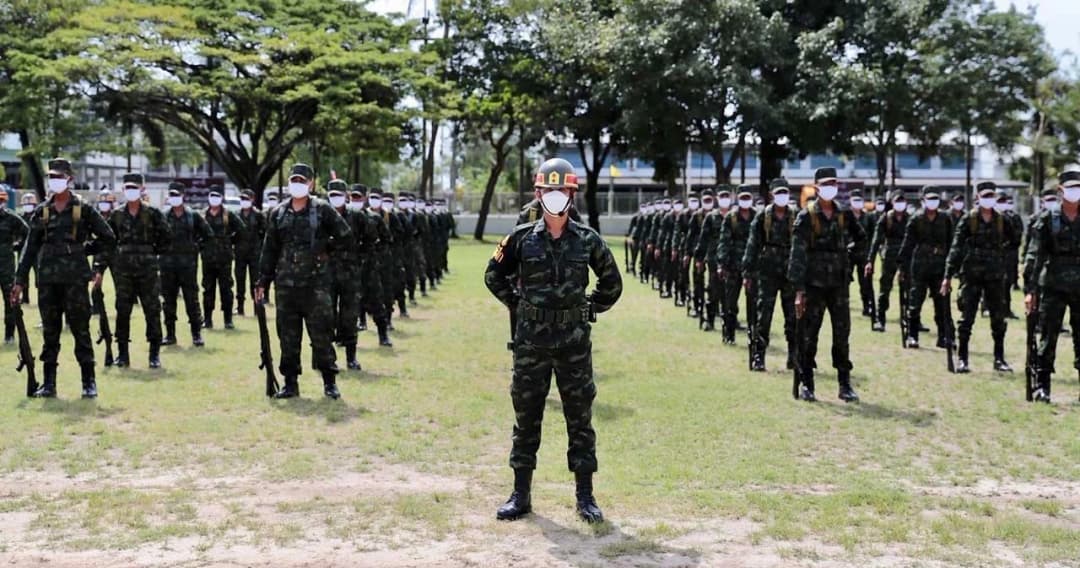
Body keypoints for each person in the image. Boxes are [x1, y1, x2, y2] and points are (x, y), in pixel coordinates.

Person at [484, 157, 622, 523]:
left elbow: (612, 282)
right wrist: (519, 305)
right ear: (538, 193)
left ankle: (585, 497)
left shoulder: (588, 240)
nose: (555, 196)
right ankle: (521, 495)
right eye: (549, 190)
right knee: (526, 417)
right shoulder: (520, 239)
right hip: (531, 344)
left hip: (574, 345)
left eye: (562, 190)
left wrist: (590, 307)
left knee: (580, 419)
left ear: (572, 194)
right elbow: (493, 274)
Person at [11, 158, 116, 398]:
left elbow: (108, 237)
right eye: (51, 177)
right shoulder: (43, 210)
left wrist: (84, 250)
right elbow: (29, 248)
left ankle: (88, 382)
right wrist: (19, 280)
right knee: (50, 332)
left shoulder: (83, 208)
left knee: (81, 329)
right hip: (48, 281)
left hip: (75, 280)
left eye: (58, 177)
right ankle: (49, 384)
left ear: (69, 179)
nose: (54, 181)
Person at [255, 164, 352, 399]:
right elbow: (269, 250)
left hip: (316, 286)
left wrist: (326, 249)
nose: (297, 183)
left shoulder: (322, 210)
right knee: (288, 336)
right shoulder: (278, 213)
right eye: (294, 179)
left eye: (302, 180)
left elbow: (345, 235)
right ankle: (290, 383)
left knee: (321, 335)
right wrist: (262, 281)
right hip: (286, 287)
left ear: (310, 184)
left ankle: (329, 382)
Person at [788, 167, 867, 402]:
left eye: (834, 183)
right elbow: (797, 254)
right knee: (809, 336)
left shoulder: (844, 214)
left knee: (842, 335)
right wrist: (799, 289)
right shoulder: (806, 216)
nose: (830, 187)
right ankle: (807, 383)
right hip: (814, 285)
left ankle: (844, 384)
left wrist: (849, 257)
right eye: (826, 184)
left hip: (839, 285)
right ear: (817, 187)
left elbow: (861, 238)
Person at [942, 181, 1019, 373]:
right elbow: (956, 247)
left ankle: (999, 359)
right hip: (972, 274)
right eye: (985, 196)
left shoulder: (1002, 220)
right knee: (967, 318)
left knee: (998, 318)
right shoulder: (970, 219)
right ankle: (963, 358)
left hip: (994, 275)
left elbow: (1015, 240)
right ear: (977, 198)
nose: (988, 199)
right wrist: (948, 275)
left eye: (991, 196)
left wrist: (1000, 254)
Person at [104, 173, 171, 368]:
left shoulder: (153, 213)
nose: (131, 191)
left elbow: (167, 236)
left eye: (135, 188)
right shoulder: (116, 215)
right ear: (123, 190)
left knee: (152, 310)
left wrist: (152, 252)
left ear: (142, 189)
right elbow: (107, 241)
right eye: (128, 188)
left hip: (147, 270)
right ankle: (122, 354)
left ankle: (154, 354)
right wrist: (100, 267)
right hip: (123, 270)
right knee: (122, 311)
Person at [1024, 172, 1080, 403]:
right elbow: (1036, 255)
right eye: (1071, 187)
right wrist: (1030, 290)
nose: (1075, 191)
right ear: (1061, 190)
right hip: (1053, 286)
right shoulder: (1049, 218)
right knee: (1047, 337)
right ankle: (1042, 386)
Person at [742, 179, 796, 371]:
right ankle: (759, 355)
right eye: (779, 192)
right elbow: (752, 245)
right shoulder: (762, 217)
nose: (782, 196)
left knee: (793, 316)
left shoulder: (795, 216)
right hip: (767, 273)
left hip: (790, 272)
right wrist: (747, 272)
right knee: (764, 315)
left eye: (785, 192)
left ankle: (793, 354)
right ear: (772, 194)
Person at [897, 186, 954, 349]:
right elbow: (908, 243)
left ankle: (944, 336)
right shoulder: (916, 219)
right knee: (915, 301)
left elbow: (951, 243)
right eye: (929, 199)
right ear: (923, 201)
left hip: (939, 265)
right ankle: (912, 335)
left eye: (935, 199)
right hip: (920, 265)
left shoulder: (945, 218)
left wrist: (951, 267)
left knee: (941, 302)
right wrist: (901, 266)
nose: (932, 202)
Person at [161, 183, 211, 347]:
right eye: (172, 195)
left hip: (188, 266)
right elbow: (156, 236)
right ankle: (170, 334)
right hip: (168, 265)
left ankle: (196, 334)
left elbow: (208, 234)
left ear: (183, 196)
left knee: (192, 300)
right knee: (168, 300)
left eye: (177, 195)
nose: (174, 198)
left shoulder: (193, 215)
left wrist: (196, 247)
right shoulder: (163, 216)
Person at [350, 185, 393, 347]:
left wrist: (374, 252)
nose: (356, 200)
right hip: (350, 268)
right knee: (350, 304)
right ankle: (347, 336)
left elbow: (386, 238)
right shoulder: (345, 217)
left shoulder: (374, 218)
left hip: (369, 267)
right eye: (353, 197)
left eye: (358, 197)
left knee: (376, 301)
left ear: (364, 198)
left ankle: (383, 335)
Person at [327, 181, 363, 369]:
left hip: (350, 274)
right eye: (332, 194)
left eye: (339, 194)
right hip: (326, 274)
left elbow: (370, 239)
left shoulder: (356, 216)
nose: (335, 197)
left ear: (346, 195)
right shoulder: (322, 214)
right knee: (325, 316)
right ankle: (325, 358)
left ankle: (351, 357)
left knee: (349, 316)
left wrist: (357, 259)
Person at [866, 190, 911, 333]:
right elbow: (876, 241)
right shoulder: (886, 218)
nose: (900, 204)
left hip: (906, 257)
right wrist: (870, 261)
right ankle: (881, 319)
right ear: (892, 203)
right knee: (885, 288)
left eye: (902, 201)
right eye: (897, 201)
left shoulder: (910, 219)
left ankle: (911, 320)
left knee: (909, 289)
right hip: (890, 257)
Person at [717, 185, 756, 344]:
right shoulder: (731, 218)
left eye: (748, 198)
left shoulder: (758, 216)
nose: (745, 201)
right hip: (733, 266)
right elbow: (724, 242)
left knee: (752, 303)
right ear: (738, 199)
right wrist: (721, 264)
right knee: (730, 302)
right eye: (743, 198)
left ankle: (752, 335)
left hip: (752, 267)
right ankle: (729, 332)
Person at [201, 186, 244, 330]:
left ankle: (228, 319)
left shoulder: (228, 215)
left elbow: (241, 230)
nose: (214, 198)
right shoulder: (203, 215)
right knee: (208, 289)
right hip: (208, 259)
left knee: (226, 289)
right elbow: (195, 233)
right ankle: (207, 319)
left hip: (224, 259)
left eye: (217, 195)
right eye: (212, 195)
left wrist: (230, 241)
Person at [694, 188, 732, 331]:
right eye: (722, 196)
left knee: (729, 292)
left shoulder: (734, 215)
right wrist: (699, 258)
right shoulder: (711, 217)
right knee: (714, 289)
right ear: (717, 198)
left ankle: (729, 322)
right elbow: (703, 239)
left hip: (732, 259)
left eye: (727, 195)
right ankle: (709, 319)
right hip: (713, 258)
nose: (724, 198)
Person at [0, 189, 29, 343]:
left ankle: (9, 334)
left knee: (9, 299)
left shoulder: (11, 218)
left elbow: (28, 233)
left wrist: (17, 246)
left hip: (6, 267)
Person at [234, 189, 266, 317]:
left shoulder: (258, 215)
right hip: (240, 253)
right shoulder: (236, 215)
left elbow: (264, 232)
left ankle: (256, 307)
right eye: (242, 199)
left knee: (255, 282)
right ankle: (240, 307)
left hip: (254, 254)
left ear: (252, 199)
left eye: (246, 199)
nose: (244, 202)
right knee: (239, 280)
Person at [848, 190, 876, 317]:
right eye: (855, 200)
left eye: (859, 200)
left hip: (863, 253)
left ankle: (867, 306)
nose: (857, 203)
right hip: (848, 253)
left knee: (865, 282)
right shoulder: (846, 216)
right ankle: (844, 305)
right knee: (844, 281)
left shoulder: (868, 217)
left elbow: (872, 236)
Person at [19, 193, 38, 305]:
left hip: (36, 251)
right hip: (23, 250)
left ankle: (42, 297)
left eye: (30, 203)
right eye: (25, 203)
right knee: (23, 275)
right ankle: (25, 298)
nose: (27, 205)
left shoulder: (37, 217)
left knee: (39, 276)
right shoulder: (20, 218)